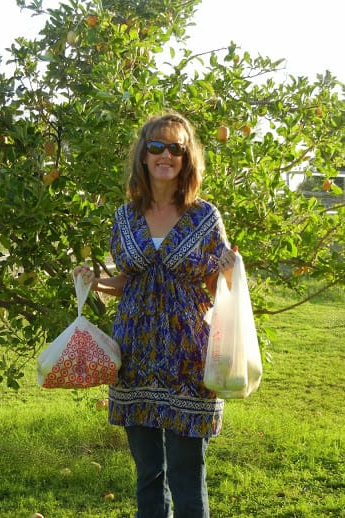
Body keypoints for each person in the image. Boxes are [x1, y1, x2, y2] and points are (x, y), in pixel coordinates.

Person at [74, 111, 236, 518]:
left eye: (176, 148)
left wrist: (232, 272)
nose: (166, 155)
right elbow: (133, 280)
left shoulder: (205, 216)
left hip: (187, 355)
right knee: (148, 473)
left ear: (187, 159)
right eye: (157, 146)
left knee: (186, 472)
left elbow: (219, 288)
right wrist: (96, 282)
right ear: (143, 156)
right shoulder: (124, 216)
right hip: (135, 353)